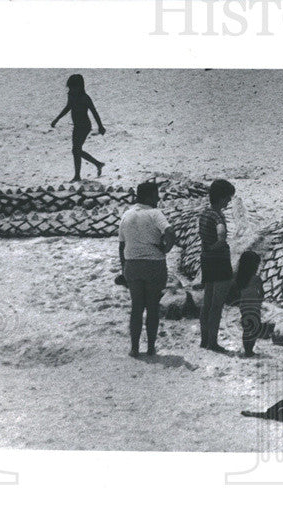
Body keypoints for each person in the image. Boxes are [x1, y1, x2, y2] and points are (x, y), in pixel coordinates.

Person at [118, 182, 176, 357]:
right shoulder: (155, 213)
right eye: (156, 195)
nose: (158, 199)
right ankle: (151, 348)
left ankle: (134, 348)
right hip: (153, 264)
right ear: (149, 196)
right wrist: (166, 249)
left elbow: (121, 245)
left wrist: (124, 268)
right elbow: (170, 232)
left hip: (132, 265)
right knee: (152, 307)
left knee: (136, 307)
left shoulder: (126, 215)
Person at [198, 179, 236, 352]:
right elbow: (221, 233)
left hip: (206, 259)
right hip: (219, 261)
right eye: (228, 198)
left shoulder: (205, 213)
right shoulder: (218, 215)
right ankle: (213, 342)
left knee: (207, 301)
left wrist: (209, 247)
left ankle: (204, 339)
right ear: (221, 198)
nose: (229, 201)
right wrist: (220, 243)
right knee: (217, 304)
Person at [51, 74, 106, 182]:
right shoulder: (71, 96)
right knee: (76, 150)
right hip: (76, 126)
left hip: (85, 126)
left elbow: (94, 112)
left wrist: (100, 126)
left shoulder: (85, 98)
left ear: (80, 87)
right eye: (70, 87)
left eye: (73, 87)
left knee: (76, 150)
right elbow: (68, 107)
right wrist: (57, 119)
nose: (71, 89)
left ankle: (81, 173)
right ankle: (95, 165)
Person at [226, 250, 264, 357]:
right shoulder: (257, 279)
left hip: (244, 307)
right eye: (256, 265)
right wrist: (260, 301)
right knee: (255, 328)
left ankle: (247, 350)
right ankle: (249, 350)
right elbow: (261, 292)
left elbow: (235, 295)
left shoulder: (239, 279)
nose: (257, 268)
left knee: (247, 328)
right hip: (255, 307)